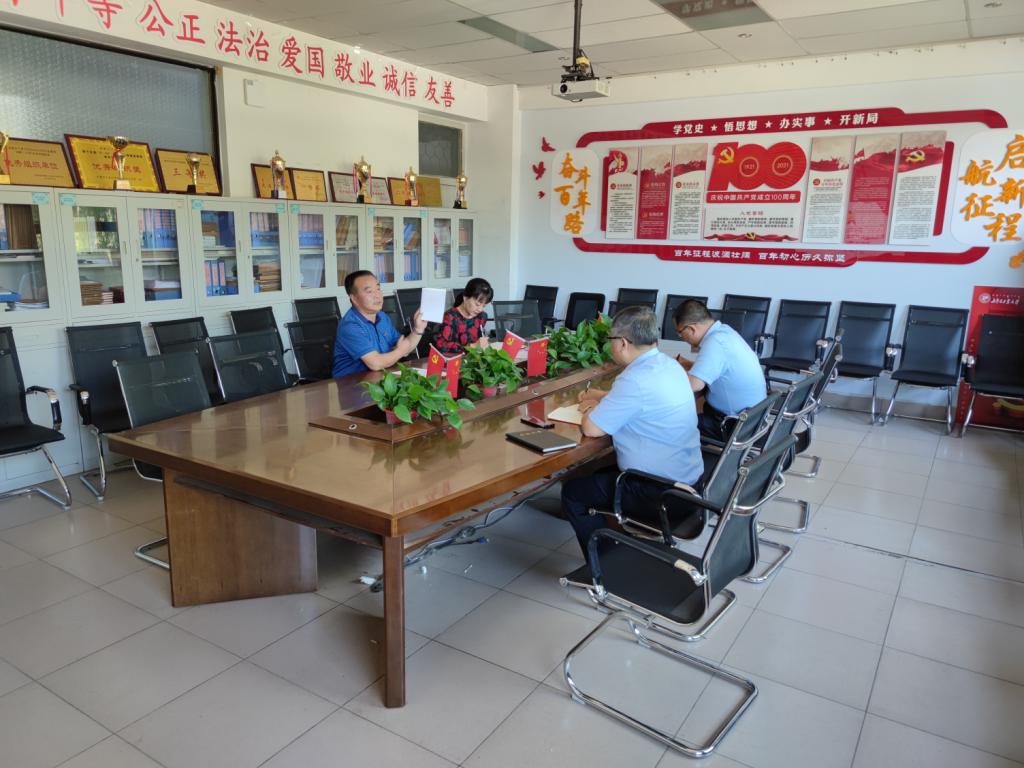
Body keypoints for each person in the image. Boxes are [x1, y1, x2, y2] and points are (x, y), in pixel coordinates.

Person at [562, 306, 704, 563]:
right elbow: (638, 398)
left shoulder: (635, 379)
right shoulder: (668, 365)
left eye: (611, 340)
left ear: (623, 343)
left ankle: (607, 566)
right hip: (689, 486)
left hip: (660, 495)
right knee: (593, 474)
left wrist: (591, 409)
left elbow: (591, 428)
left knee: (573, 492)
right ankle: (617, 542)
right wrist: (601, 396)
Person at [673, 299, 766, 442]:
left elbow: (694, 385)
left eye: (680, 332)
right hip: (754, 417)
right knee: (697, 403)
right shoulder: (725, 331)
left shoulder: (715, 342)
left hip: (733, 425)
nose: (681, 337)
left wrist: (665, 377)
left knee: (671, 425)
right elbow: (720, 369)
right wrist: (688, 364)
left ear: (691, 329)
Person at [332, 270, 427, 378]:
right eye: (369, 291)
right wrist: (400, 351)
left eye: (378, 289)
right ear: (354, 298)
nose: (377, 295)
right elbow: (375, 363)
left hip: (381, 377)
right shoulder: (350, 326)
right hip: (351, 383)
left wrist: (418, 329)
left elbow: (404, 347)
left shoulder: (382, 317)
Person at [435, 277, 493, 354]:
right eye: (477, 304)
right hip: (454, 360)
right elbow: (441, 346)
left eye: (484, 306)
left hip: (474, 358)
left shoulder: (481, 317)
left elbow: (479, 341)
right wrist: (472, 346)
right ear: (465, 298)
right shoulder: (449, 317)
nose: (480, 309)